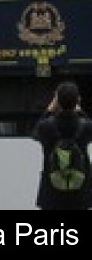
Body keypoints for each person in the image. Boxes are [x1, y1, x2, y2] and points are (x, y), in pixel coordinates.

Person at [32, 80, 92, 210]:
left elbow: (35, 134)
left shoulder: (46, 125)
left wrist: (49, 110)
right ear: (78, 100)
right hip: (80, 192)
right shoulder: (85, 125)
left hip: (52, 192)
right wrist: (80, 110)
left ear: (57, 100)